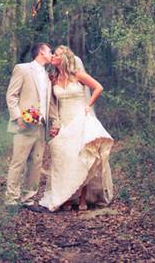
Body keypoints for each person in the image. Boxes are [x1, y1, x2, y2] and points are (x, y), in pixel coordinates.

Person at [37, 45, 114, 212]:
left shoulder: (78, 75)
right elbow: (52, 102)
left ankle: (82, 198)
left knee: (82, 156)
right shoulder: (54, 78)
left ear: (63, 58)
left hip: (80, 118)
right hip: (64, 120)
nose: (53, 57)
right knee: (64, 158)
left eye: (55, 55)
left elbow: (98, 87)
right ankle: (66, 196)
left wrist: (89, 105)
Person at [4, 42, 57, 209]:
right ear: (41, 52)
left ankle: (28, 199)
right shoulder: (22, 69)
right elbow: (11, 96)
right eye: (50, 51)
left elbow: (49, 103)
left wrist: (55, 121)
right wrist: (18, 117)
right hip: (24, 125)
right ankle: (11, 199)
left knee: (36, 164)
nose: (52, 54)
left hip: (41, 127)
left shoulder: (48, 76)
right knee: (18, 162)